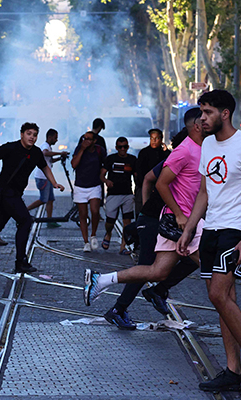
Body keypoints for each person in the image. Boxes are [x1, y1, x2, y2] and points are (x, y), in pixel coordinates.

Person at [178, 90, 241, 392]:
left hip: (234, 230)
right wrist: (189, 229)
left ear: (224, 113)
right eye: (201, 112)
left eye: (207, 112)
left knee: (218, 294)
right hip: (211, 230)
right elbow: (204, 192)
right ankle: (232, 370)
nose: (201, 118)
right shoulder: (207, 145)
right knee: (224, 301)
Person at [84, 106, 205, 317]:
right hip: (158, 218)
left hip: (177, 220)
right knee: (210, 270)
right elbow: (151, 179)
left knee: (159, 270)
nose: (156, 140)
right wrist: (146, 208)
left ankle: (153, 290)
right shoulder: (181, 153)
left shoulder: (199, 151)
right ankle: (119, 308)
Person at [0, 122, 65, 275]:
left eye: (35, 135)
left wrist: (54, 182)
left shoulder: (36, 152)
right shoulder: (11, 147)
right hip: (5, 192)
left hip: (16, 193)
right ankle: (20, 262)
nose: (32, 137)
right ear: (22, 134)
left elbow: (45, 167)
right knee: (25, 221)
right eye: (29, 134)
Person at [100, 137, 137, 255]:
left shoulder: (132, 159)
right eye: (120, 147)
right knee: (110, 221)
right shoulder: (111, 159)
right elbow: (101, 174)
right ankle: (108, 233)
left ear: (128, 147)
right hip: (113, 193)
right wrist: (106, 181)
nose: (123, 149)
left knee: (127, 221)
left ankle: (123, 246)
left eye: (125, 147)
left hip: (127, 193)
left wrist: (136, 191)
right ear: (116, 148)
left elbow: (136, 176)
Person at [71, 131, 106, 252]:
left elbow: (104, 165)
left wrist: (104, 178)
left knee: (95, 211)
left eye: (89, 139)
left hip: (95, 185)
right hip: (80, 186)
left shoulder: (99, 150)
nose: (86, 141)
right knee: (83, 214)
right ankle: (85, 241)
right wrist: (82, 149)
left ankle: (93, 234)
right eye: (84, 138)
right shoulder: (79, 149)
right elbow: (74, 164)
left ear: (94, 141)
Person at [27, 129, 69, 226]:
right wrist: (60, 153)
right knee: (43, 199)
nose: (56, 140)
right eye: (55, 138)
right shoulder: (45, 146)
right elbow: (45, 153)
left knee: (50, 199)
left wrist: (59, 158)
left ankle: (49, 221)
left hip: (47, 178)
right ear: (49, 137)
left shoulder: (48, 146)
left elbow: (49, 160)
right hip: (42, 178)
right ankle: (24, 211)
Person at [135, 128, 169, 214]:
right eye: (151, 138)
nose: (154, 141)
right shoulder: (144, 153)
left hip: (160, 188)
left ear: (161, 139)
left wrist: (166, 151)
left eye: (156, 138)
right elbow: (139, 172)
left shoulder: (164, 153)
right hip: (143, 186)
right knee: (142, 210)